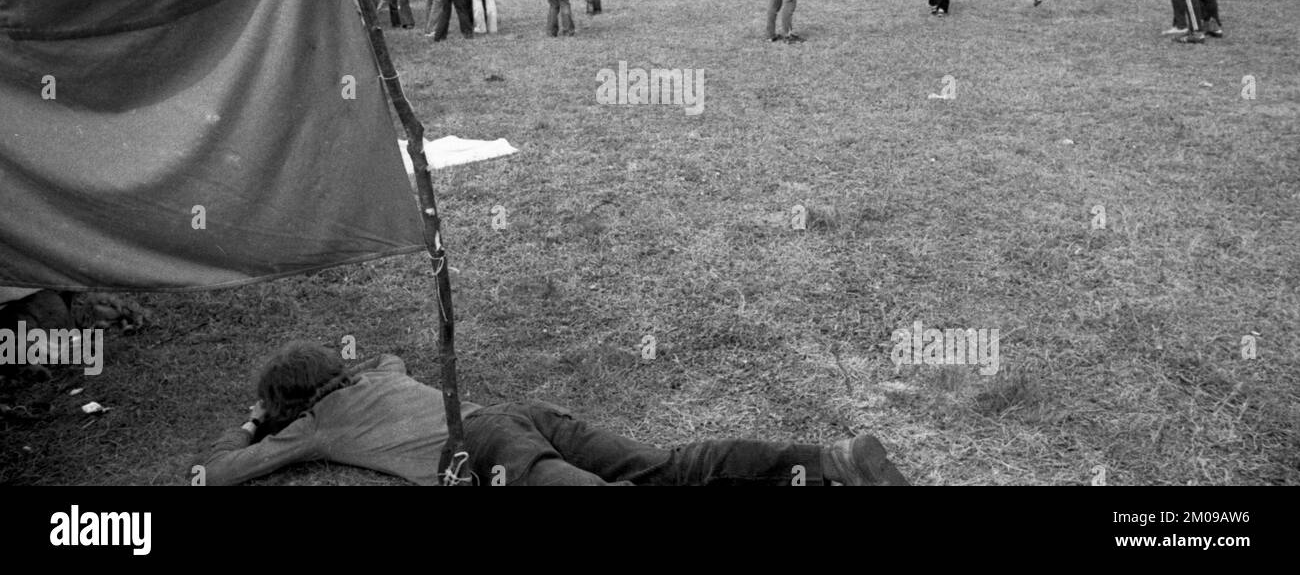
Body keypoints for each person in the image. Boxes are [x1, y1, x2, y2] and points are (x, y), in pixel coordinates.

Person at [195, 341, 911, 486]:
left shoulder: (313, 425)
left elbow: (218, 471)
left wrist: (257, 422)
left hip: (476, 446)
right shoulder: (376, 373)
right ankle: (828, 459)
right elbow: (388, 358)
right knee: (667, 463)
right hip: (514, 413)